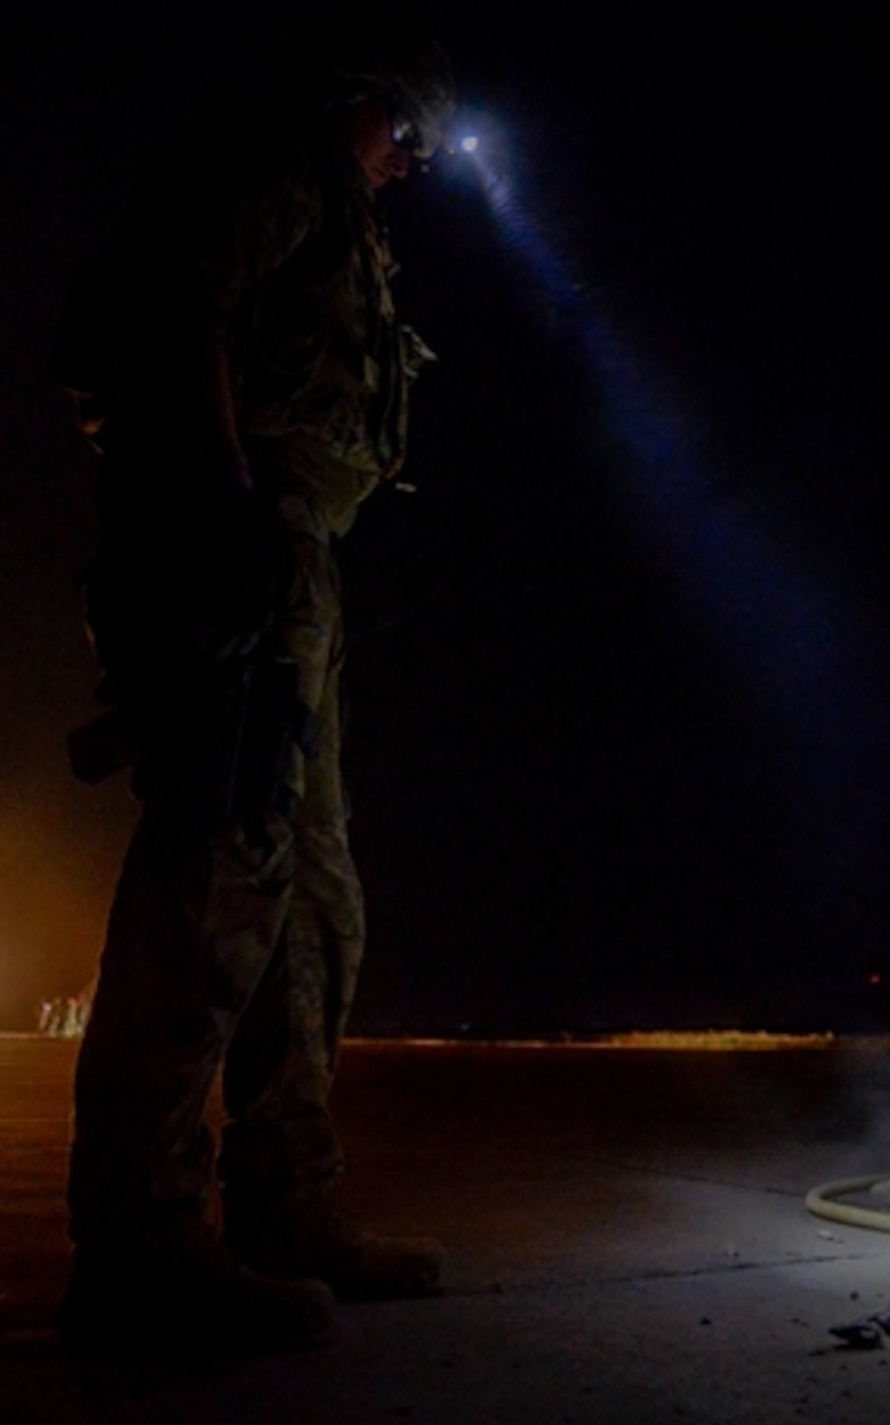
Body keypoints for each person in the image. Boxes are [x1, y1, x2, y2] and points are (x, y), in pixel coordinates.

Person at [53, 17, 457, 1354]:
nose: (413, 162)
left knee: (309, 910)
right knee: (215, 893)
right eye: (405, 132)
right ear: (357, 99)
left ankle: (287, 1204)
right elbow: (176, 312)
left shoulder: (329, 199)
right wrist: (221, 514)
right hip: (232, 557)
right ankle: (144, 1247)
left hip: (289, 570)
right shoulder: (270, 169)